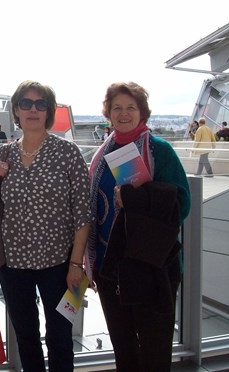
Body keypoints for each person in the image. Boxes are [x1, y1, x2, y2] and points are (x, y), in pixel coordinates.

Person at [0, 80, 92, 372]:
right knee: (26, 337)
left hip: (58, 263)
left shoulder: (67, 153)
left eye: (40, 104)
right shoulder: (4, 154)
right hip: (12, 263)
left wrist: (76, 264)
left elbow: (83, 213)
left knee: (60, 336)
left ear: (49, 112)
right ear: (16, 110)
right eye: (25, 104)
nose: (33, 109)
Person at [87, 82, 191, 372]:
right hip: (111, 266)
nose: (123, 113)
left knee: (155, 350)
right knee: (124, 349)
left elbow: (182, 203)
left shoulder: (159, 151)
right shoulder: (103, 153)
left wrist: (134, 198)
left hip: (151, 266)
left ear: (142, 112)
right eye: (117, 108)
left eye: (130, 107)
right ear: (108, 113)